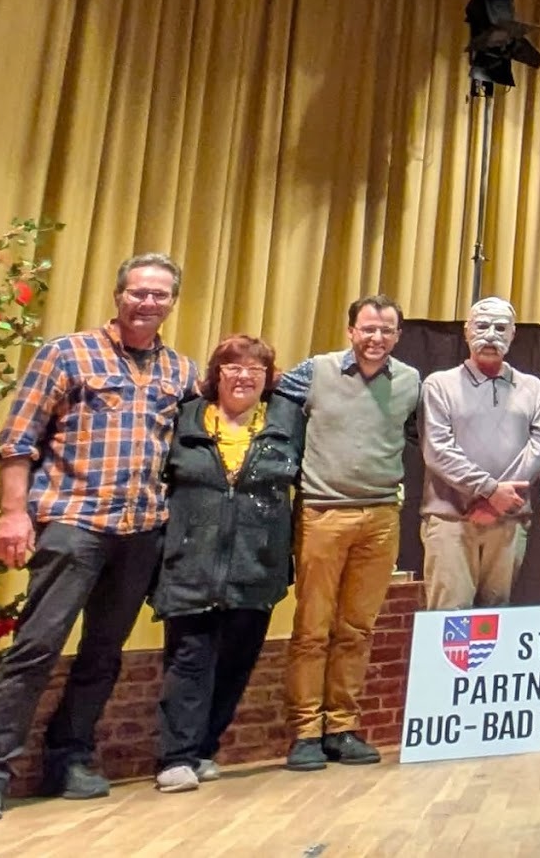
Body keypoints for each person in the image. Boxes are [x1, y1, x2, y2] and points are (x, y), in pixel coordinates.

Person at [0, 253, 197, 824]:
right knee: (36, 647)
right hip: (72, 525)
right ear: (119, 295)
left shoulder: (180, 372)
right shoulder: (66, 353)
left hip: (140, 531)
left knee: (102, 654)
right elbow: (18, 440)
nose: (148, 302)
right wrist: (13, 514)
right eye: (138, 292)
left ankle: (70, 757)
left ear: (171, 303)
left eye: (160, 295)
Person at [151, 335, 304, 793]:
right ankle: (175, 756)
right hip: (191, 560)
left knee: (237, 661)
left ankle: (204, 750)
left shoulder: (289, 420)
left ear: (268, 379)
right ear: (216, 375)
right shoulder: (185, 419)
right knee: (190, 659)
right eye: (233, 367)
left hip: (257, 563)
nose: (243, 376)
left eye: (255, 369)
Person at [277, 294, 422, 770]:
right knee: (313, 630)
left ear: (397, 336)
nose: (376, 338)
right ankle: (305, 732)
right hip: (322, 513)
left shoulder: (409, 381)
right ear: (351, 331)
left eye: (386, 331)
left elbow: (423, 436)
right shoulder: (314, 371)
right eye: (368, 329)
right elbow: (271, 411)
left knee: (357, 630)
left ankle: (341, 726)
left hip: (381, 516)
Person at [419, 297, 540, 610]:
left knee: (496, 617)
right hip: (450, 520)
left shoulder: (533, 388)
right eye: (482, 325)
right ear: (466, 331)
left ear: (513, 334)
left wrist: (498, 502)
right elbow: (437, 449)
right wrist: (489, 490)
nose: (490, 334)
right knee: (449, 620)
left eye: (500, 327)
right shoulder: (439, 385)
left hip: (509, 519)